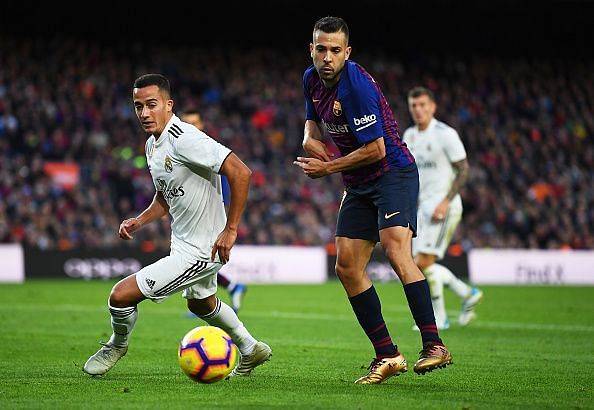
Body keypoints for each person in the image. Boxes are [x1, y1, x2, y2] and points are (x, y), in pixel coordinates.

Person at [294, 17, 452, 385]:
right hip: (358, 182)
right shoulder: (310, 79)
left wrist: (328, 166)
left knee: (396, 251)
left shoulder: (357, 89)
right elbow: (310, 121)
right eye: (321, 49)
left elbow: (376, 149)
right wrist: (307, 138)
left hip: (392, 173)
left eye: (336, 50)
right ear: (312, 50)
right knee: (347, 267)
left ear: (347, 53)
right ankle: (388, 355)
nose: (328, 57)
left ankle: (434, 344)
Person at [83, 74, 271, 377]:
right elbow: (165, 195)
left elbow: (241, 172)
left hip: (202, 249)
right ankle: (250, 348)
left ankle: (116, 345)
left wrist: (231, 229)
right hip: (183, 243)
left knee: (120, 296)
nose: (144, 113)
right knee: (202, 304)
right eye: (138, 106)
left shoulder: (186, 138)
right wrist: (139, 220)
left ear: (169, 105)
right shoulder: (152, 147)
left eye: (152, 105)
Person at [402, 87, 483, 329]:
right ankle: (466, 294)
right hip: (420, 208)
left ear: (433, 107)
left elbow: (464, 169)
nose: (418, 110)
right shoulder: (409, 135)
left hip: (442, 206)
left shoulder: (445, 134)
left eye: (423, 105)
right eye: (414, 105)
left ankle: (439, 317)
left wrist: (445, 201)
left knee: (420, 263)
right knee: (419, 264)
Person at [180, 109, 248, 313]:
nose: (191, 127)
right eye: (187, 123)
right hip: (189, 214)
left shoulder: (208, 148)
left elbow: (232, 178)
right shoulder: (183, 148)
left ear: (201, 125)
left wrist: (228, 222)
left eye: (195, 122)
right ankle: (226, 291)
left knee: (194, 258)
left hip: (209, 213)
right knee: (196, 259)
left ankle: (207, 302)